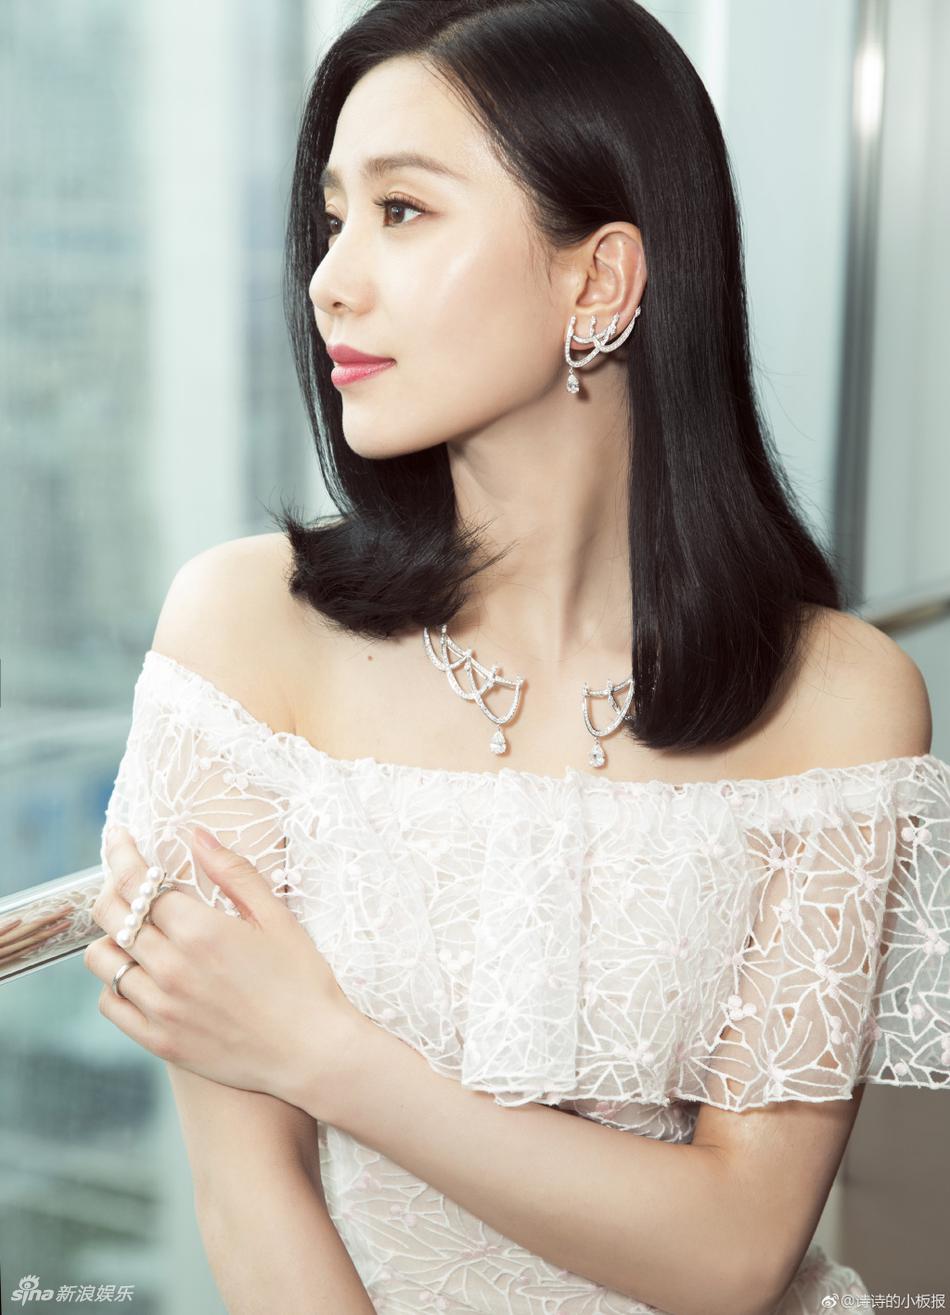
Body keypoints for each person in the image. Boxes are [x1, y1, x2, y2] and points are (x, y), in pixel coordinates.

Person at [85, 2, 950, 1313]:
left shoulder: (839, 700)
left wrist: (322, 1052)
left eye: (402, 211)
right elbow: (247, 1200)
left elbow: (734, 1256)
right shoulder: (243, 630)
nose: (329, 279)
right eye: (334, 217)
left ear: (597, 280)